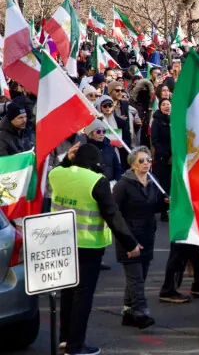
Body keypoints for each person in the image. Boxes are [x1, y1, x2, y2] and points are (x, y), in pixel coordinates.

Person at [51, 143, 141, 355]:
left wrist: (68, 158)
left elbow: (60, 167)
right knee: (82, 297)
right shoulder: (96, 181)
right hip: (87, 244)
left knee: (67, 293)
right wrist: (131, 243)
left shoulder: (56, 175)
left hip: (61, 242)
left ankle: (65, 340)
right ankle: (76, 346)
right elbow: (112, 214)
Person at [114, 147, 162, 330]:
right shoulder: (123, 185)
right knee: (136, 279)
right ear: (133, 164)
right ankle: (141, 311)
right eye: (142, 160)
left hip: (148, 235)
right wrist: (127, 239)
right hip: (129, 237)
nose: (146, 163)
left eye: (149, 160)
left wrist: (164, 204)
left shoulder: (153, 181)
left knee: (139, 276)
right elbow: (115, 213)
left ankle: (128, 311)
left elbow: (153, 207)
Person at [150, 98, 172, 220]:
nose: (166, 106)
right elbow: (155, 141)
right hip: (162, 159)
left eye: (168, 104)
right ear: (159, 107)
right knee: (163, 185)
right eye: (163, 104)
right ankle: (163, 210)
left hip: (174, 159)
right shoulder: (156, 121)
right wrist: (166, 153)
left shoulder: (175, 120)